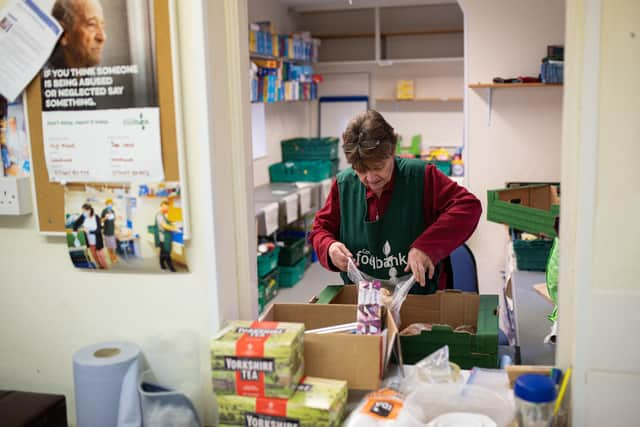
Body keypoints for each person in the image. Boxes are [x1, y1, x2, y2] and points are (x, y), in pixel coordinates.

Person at [309, 110, 482, 293]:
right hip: (365, 305)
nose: (370, 178)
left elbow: (468, 207)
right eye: (360, 170)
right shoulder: (344, 186)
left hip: (421, 301)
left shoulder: (422, 177)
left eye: (378, 167)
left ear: (392, 151)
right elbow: (320, 230)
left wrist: (427, 247)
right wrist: (330, 248)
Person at [49, 0, 106, 69]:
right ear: (63, 34)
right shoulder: (40, 76)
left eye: (102, 26)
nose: (102, 37)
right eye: (92, 24)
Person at [73, 203, 108, 269]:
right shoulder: (83, 217)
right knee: (94, 256)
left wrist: (89, 231)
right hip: (89, 241)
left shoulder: (96, 217)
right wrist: (76, 231)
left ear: (89, 210)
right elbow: (75, 224)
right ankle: (101, 267)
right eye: (82, 211)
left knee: (101, 256)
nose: (83, 212)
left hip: (97, 241)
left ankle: (105, 268)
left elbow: (98, 230)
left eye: (84, 211)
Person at [155, 200, 179, 272]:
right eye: (165, 207)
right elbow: (164, 225)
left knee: (163, 252)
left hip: (166, 236)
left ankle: (162, 265)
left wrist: (172, 224)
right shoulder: (159, 215)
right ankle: (172, 269)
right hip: (163, 237)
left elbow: (168, 222)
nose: (167, 209)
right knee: (167, 252)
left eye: (167, 208)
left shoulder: (164, 214)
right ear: (161, 206)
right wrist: (174, 228)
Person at [100, 198, 118, 264]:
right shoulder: (104, 211)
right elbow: (101, 220)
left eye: (111, 204)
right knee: (109, 246)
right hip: (107, 231)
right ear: (106, 204)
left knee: (113, 246)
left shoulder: (113, 211)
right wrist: (105, 218)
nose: (110, 205)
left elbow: (113, 221)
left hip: (112, 231)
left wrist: (117, 228)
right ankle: (111, 257)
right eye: (108, 203)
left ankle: (114, 256)